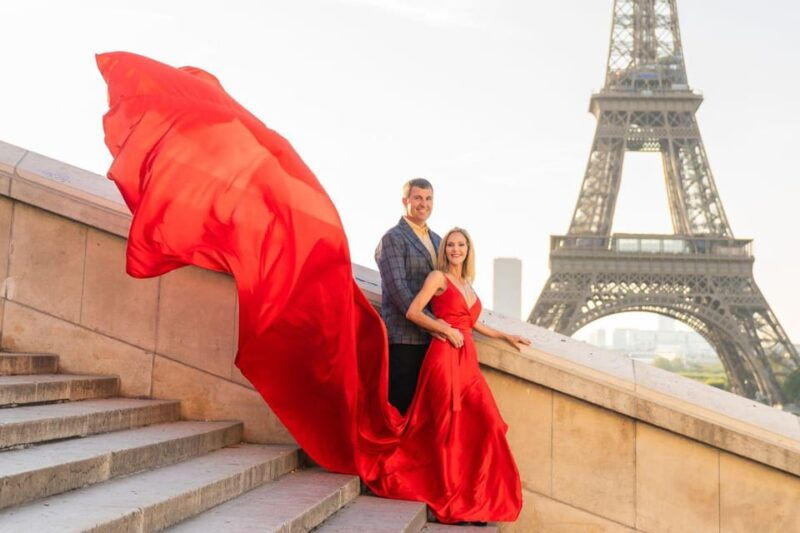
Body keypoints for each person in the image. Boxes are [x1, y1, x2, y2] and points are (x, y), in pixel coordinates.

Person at [365, 227, 528, 524]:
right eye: (451, 245)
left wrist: (506, 336)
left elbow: (473, 322)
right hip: (444, 357)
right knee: (447, 430)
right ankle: (452, 501)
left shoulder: (467, 283)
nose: (455, 249)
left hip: (467, 363)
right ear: (445, 250)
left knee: (487, 424)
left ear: (468, 250)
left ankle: (473, 499)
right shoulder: (437, 278)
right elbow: (413, 311)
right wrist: (443, 328)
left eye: (461, 245)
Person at [375, 178, 443, 414]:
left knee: (423, 415)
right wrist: (436, 325)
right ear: (405, 201)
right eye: (418, 198)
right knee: (399, 411)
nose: (424, 204)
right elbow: (399, 292)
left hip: (432, 343)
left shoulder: (439, 241)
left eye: (428, 198)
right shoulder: (392, 238)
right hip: (404, 340)